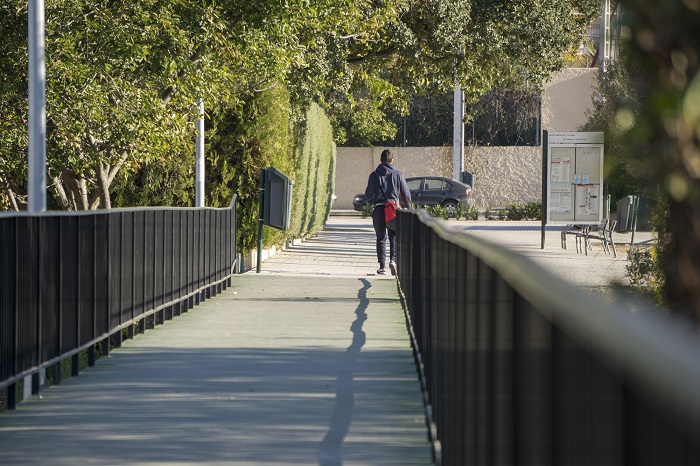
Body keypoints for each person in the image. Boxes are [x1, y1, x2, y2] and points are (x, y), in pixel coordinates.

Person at [364, 149, 412, 275]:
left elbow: (368, 195)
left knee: (381, 238)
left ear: (381, 160)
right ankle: (393, 260)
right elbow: (406, 194)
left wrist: (371, 200)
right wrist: (409, 208)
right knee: (393, 236)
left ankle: (382, 266)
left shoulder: (373, 175)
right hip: (392, 209)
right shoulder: (398, 174)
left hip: (379, 209)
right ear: (392, 160)